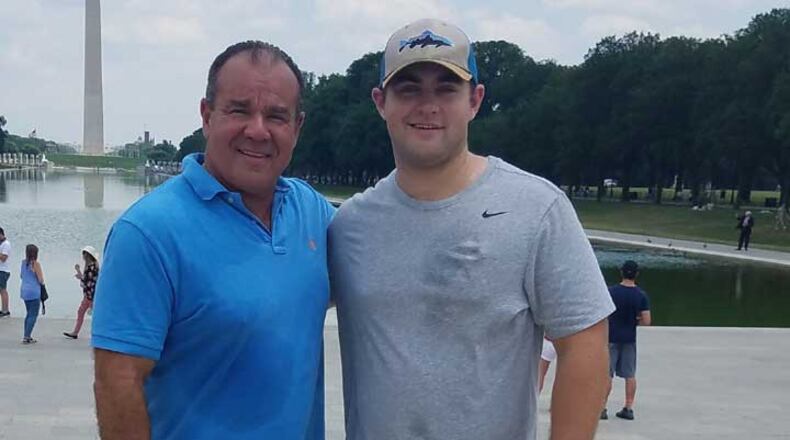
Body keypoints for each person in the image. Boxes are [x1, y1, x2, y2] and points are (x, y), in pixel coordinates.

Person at [329, 18, 615, 440]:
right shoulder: (350, 226)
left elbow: (585, 346)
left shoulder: (536, 208)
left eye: (446, 88)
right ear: (380, 101)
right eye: (409, 89)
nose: (428, 105)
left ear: (475, 100)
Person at [91, 41, 335, 440]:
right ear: (207, 116)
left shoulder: (313, 213)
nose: (257, 130)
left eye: (276, 115)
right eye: (240, 109)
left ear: (297, 127)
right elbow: (118, 383)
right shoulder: (148, 232)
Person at [603, 260, 651, 421]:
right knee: (630, 374)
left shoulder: (611, 292)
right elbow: (647, 320)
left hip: (611, 337)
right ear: (637, 274)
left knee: (606, 374)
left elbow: (603, 314)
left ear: (621, 272)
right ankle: (628, 407)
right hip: (629, 338)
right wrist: (635, 321)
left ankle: (602, 407)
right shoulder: (641, 295)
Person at [63, 245, 100, 339]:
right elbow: (87, 280)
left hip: (91, 295)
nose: (82, 256)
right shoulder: (92, 265)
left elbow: (88, 281)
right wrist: (78, 271)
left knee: (92, 315)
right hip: (89, 295)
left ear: (87, 255)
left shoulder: (92, 267)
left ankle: (95, 333)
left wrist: (79, 274)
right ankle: (76, 332)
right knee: (82, 312)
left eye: (83, 254)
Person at [20, 244, 45, 344]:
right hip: (34, 292)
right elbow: (40, 279)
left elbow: (21, 276)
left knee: (28, 314)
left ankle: (26, 334)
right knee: (33, 315)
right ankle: (27, 336)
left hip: (24, 291)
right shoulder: (35, 264)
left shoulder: (23, 263)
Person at [0, 227, 11, 317]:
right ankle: (3, 309)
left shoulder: (6, 244)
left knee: (3, 290)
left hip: (3, 271)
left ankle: (5, 311)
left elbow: (4, 258)